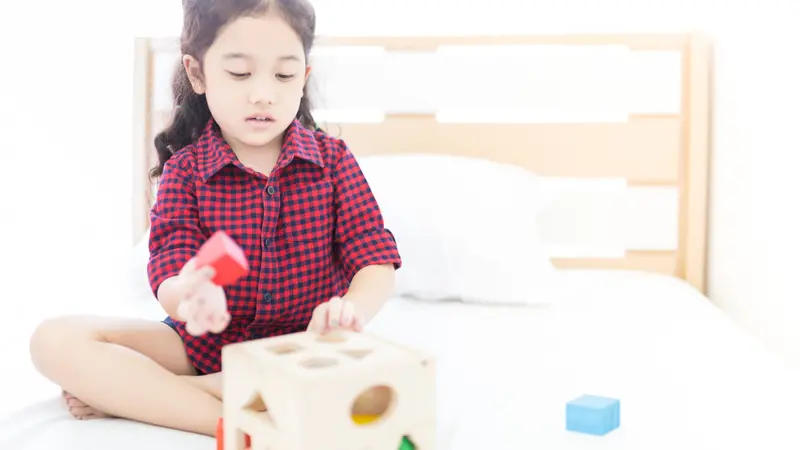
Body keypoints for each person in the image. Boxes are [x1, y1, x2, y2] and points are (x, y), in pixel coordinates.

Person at [28, 0, 401, 437]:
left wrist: (349, 311)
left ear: (304, 77)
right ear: (197, 73)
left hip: (305, 351)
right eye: (240, 74)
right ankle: (240, 424)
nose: (263, 93)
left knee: (371, 375)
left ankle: (154, 395)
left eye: (283, 75)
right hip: (203, 347)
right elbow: (170, 264)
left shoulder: (333, 161)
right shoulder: (185, 170)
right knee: (53, 341)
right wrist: (190, 291)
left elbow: (373, 257)